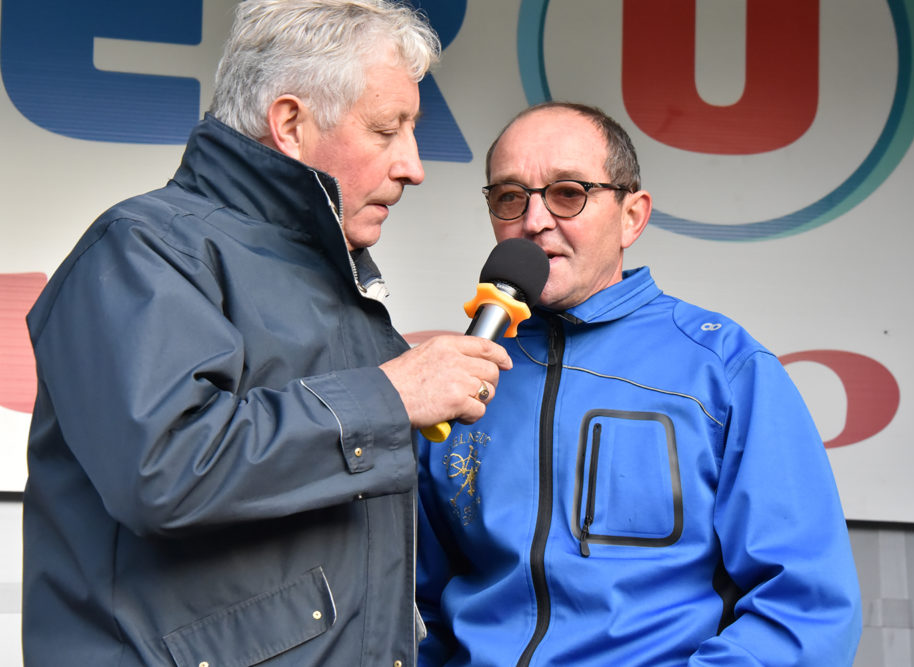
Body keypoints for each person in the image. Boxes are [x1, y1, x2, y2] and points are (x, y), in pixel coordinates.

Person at [21, 2, 511, 665]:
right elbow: (165, 471)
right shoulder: (141, 249)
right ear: (289, 124)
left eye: (413, 131)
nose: (413, 166)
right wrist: (391, 397)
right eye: (386, 130)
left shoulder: (333, 279)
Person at [415, 102, 863, 666]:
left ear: (632, 215)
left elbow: (807, 609)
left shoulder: (723, 368)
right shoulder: (463, 374)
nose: (533, 221)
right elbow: (419, 607)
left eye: (567, 193)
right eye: (510, 196)